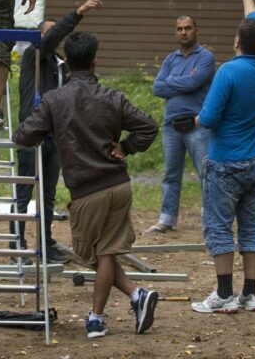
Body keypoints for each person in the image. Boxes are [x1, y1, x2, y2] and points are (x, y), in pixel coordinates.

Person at [13, 31, 160, 339]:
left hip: (86, 191)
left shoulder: (55, 100)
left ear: (65, 62)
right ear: (95, 61)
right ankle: (130, 299)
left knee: (91, 254)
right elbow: (149, 126)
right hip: (118, 185)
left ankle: (100, 316)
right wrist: (128, 147)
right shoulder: (113, 97)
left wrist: (45, 127)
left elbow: (24, 135)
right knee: (105, 253)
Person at [191, 0, 255, 314]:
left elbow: (208, 119)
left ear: (237, 42)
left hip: (226, 162)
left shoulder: (228, 71)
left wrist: (195, 117)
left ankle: (224, 294)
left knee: (219, 226)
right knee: (251, 228)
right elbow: (254, 20)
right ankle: (250, 295)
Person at [10, 0, 102, 264]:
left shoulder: (63, 67)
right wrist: (79, 11)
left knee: (47, 195)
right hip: (32, 134)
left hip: (56, 138)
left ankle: (45, 245)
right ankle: (17, 246)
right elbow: (49, 39)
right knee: (24, 193)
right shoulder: (32, 57)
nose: (55, 38)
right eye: (50, 34)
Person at [144, 16, 215, 234]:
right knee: (170, 174)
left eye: (187, 28)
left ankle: (211, 221)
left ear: (196, 30)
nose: (183, 32)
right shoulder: (170, 59)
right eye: (179, 29)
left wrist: (172, 81)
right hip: (171, 126)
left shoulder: (205, 57)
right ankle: (167, 219)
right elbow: (157, 88)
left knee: (207, 174)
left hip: (198, 124)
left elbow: (195, 82)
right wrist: (184, 82)